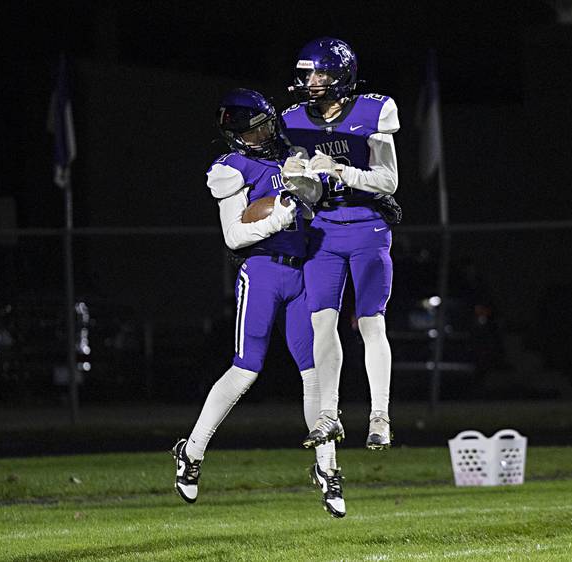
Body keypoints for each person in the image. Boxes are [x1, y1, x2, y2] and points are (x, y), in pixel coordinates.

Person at [172, 88, 345, 518]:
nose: (265, 134)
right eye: (255, 131)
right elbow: (233, 236)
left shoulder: (292, 155)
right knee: (246, 368)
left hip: (302, 271)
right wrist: (278, 217)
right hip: (264, 271)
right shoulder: (232, 168)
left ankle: (327, 469)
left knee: (315, 371)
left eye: (267, 125)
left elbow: (318, 202)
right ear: (237, 136)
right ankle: (191, 453)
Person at [280, 37, 401, 450]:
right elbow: (311, 195)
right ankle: (328, 414)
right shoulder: (294, 119)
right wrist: (297, 179)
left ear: (339, 76)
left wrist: (342, 171)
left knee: (371, 323)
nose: (311, 81)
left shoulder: (372, 111)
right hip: (325, 230)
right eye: (307, 74)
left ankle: (380, 416)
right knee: (321, 322)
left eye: (319, 73)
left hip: (367, 225)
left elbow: (388, 181)